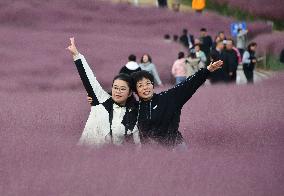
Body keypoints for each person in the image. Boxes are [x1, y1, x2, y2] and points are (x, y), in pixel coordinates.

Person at [131, 60, 223, 148]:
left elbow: (188, 85)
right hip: (150, 152)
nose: (145, 88)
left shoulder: (168, 98)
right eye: (140, 86)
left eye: (148, 83)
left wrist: (207, 71)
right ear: (135, 90)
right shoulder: (135, 108)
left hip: (174, 146)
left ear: (152, 85)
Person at [66, 37, 140, 146]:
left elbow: (136, 144)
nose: (118, 91)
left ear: (129, 93)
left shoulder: (134, 113)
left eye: (123, 89)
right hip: (85, 156)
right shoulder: (101, 99)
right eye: (115, 87)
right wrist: (76, 55)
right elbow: (89, 78)